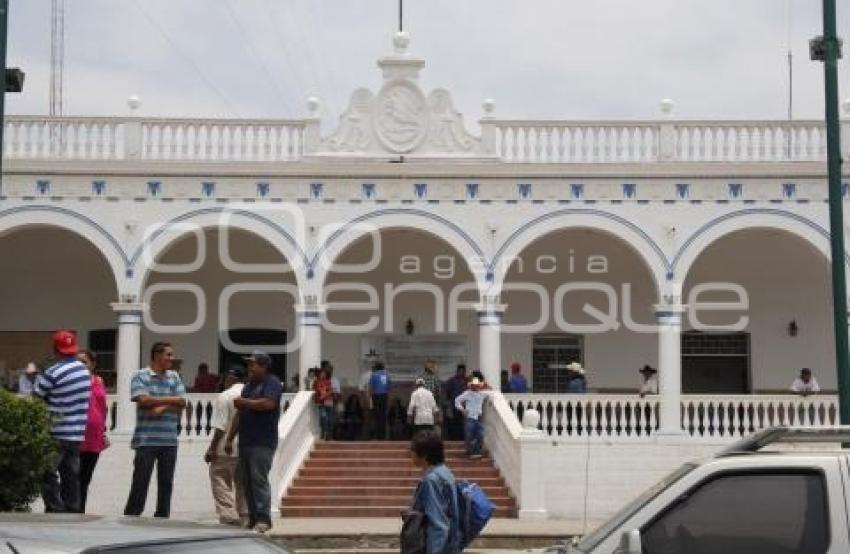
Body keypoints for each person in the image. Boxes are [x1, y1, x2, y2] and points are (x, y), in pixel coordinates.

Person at [124, 342, 187, 518]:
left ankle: (162, 517)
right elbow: (143, 400)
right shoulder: (140, 375)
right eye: (169, 355)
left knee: (166, 483)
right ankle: (132, 516)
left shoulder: (174, 376)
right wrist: (171, 400)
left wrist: (162, 406)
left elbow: (182, 403)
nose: (171, 359)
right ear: (157, 355)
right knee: (140, 481)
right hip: (146, 439)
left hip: (169, 440)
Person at [34, 330, 91, 513]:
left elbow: (36, 397)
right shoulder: (83, 370)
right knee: (71, 475)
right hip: (76, 433)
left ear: (55, 349)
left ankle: (55, 509)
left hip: (55, 431)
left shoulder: (52, 371)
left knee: (46, 472)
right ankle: (73, 509)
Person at [226, 351, 282, 534]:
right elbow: (239, 414)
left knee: (259, 480)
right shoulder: (248, 386)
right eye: (248, 364)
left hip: (263, 440)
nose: (249, 368)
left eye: (253, 364)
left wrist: (245, 403)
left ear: (264, 366)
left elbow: (269, 404)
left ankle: (263, 519)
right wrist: (229, 437)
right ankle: (253, 518)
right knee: (246, 481)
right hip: (246, 440)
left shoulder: (271, 382)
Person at [407, 430, 461, 554]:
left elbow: (437, 524)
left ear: (424, 454)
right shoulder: (445, 472)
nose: (411, 453)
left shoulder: (431, 480)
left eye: (413, 450)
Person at [204, 366, 246, 526]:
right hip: (246, 448)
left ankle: (229, 516)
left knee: (220, 480)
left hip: (225, 448)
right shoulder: (250, 394)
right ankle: (244, 516)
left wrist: (212, 448)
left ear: (230, 378)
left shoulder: (225, 396)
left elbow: (221, 426)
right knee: (242, 484)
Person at [78, 349, 109, 513]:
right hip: (75, 434)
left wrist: (103, 432)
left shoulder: (99, 380)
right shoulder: (73, 381)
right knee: (72, 477)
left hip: (94, 436)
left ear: (92, 364)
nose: (80, 364)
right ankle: (69, 512)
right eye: (78, 361)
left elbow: (103, 408)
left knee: (85, 478)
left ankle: (80, 512)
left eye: (84, 361)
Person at [454, 378, 493, 459]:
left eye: (477, 385)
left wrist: (486, 385)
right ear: (471, 386)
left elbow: (492, 392)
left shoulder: (482, 393)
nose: (476, 387)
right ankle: (471, 451)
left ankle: (476, 451)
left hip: (478, 417)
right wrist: (462, 410)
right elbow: (457, 400)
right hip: (470, 417)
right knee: (469, 435)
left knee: (480, 435)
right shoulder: (467, 393)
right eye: (474, 385)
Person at [443, 364, 468, 441]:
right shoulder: (451, 381)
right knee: (453, 424)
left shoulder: (467, 380)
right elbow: (447, 394)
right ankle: (453, 439)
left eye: (463, 371)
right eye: (460, 371)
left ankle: (462, 439)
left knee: (463, 424)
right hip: (453, 407)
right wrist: (447, 407)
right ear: (457, 371)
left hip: (465, 407)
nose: (461, 373)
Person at [368, 361, 392, 440]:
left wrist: (370, 399)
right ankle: (383, 436)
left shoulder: (373, 375)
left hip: (376, 396)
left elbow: (371, 388)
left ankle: (377, 436)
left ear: (376, 367)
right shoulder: (387, 375)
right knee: (383, 416)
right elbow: (389, 387)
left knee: (376, 416)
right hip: (384, 396)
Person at [313, 368, 336, 440]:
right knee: (323, 418)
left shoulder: (328, 382)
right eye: (321, 373)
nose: (323, 375)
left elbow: (331, 390)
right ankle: (324, 431)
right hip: (321, 402)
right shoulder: (316, 382)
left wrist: (324, 395)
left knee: (329, 419)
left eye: (324, 374)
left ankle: (328, 434)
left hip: (328, 401)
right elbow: (315, 390)